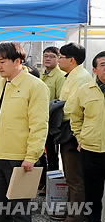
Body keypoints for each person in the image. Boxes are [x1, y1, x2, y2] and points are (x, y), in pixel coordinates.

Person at [0, 42, 49, 222]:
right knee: (1, 210)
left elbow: (39, 125)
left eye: (3, 62)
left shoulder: (35, 87)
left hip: (19, 159)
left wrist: (31, 155)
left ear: (18, 61)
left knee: (20, 211)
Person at [51, 42, 93, 222]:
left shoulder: (81, 78)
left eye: (61, 57)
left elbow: (73, 108)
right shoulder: (71, 76)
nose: (59, 60)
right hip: (67, 128)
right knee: (70, 174)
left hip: (74, 131)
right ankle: (71, 211)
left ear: (72, 60)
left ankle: (76, 217)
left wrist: (56, 106)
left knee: (75, 177)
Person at [67, 51, 105, 222]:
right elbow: (76, 117)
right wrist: (81, 138)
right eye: (104, 64)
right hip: (92, 149)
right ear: (95, 69)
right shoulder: (85, 90)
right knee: (93, 191)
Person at [38, 46, 66, 194]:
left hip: (52, 123)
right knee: (39, 154)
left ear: (58, 58)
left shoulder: (60, 76)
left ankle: (51, 187)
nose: (47, 59)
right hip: (40, 121)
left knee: (52, 157)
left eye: (51, 56)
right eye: (45, 56)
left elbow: (60, 102)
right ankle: (42, 182)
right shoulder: (42, 75)